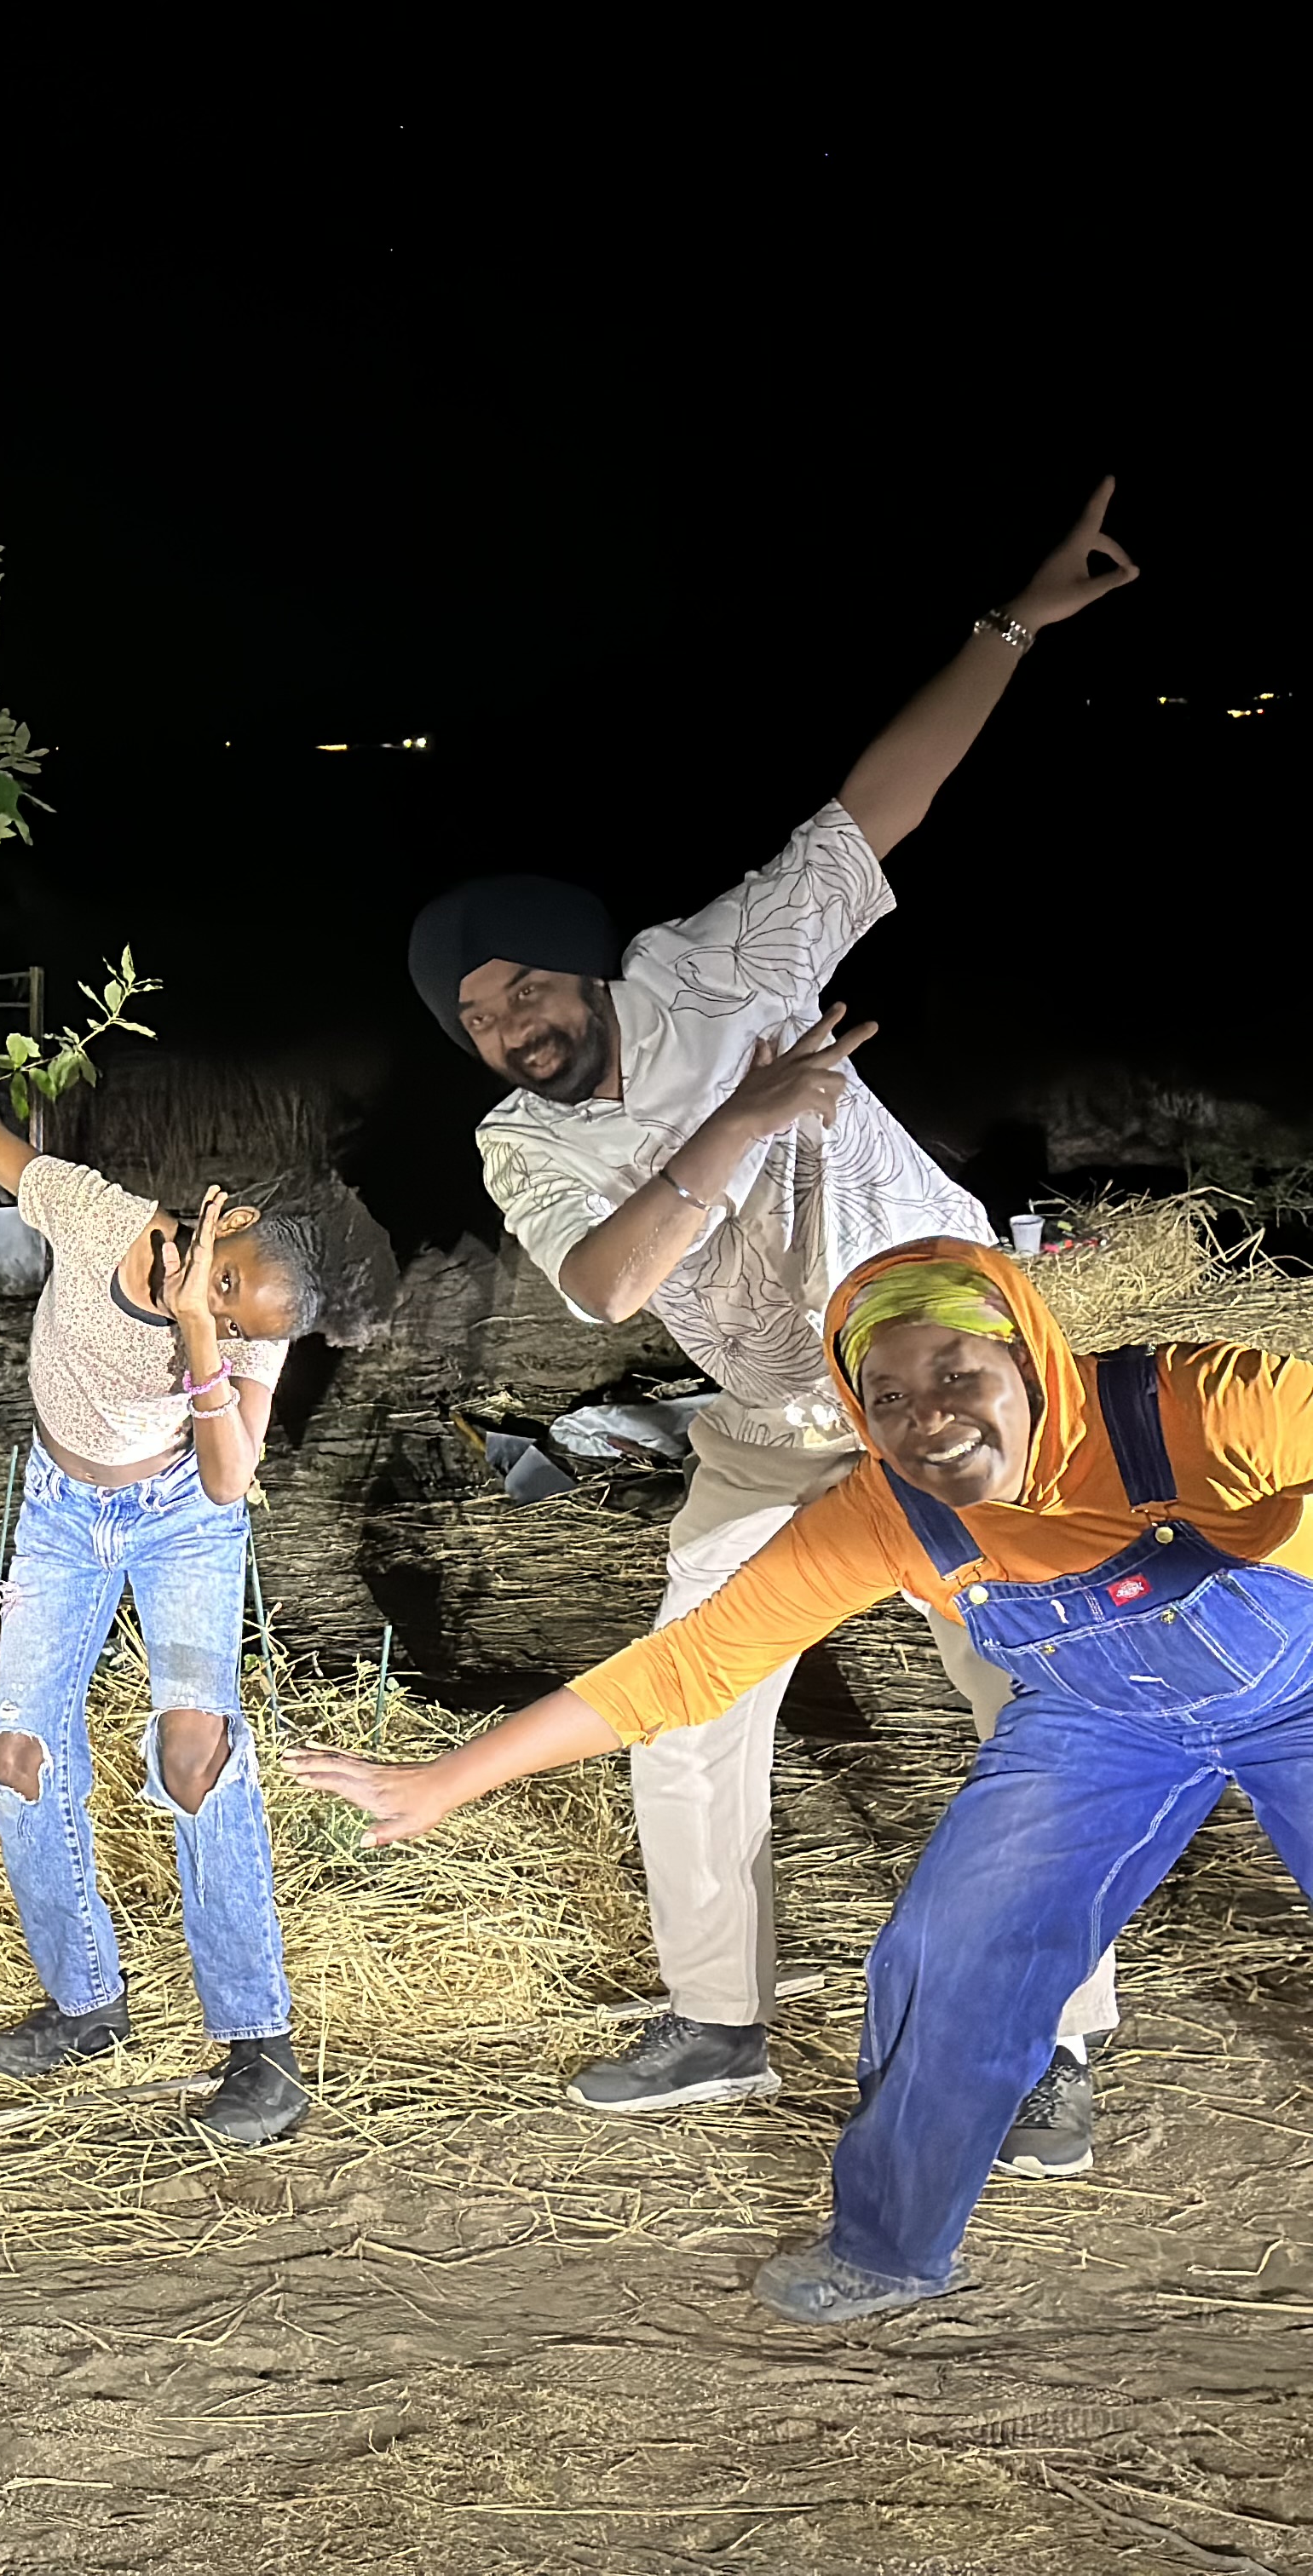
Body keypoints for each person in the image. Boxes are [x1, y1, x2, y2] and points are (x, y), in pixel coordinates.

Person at [400, 480, 1141, 2137]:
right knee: (688, 1693)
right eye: (474, 1013)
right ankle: (713, 2019)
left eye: (521, 980)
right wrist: (748, 1119)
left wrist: (1012, 623)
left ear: (578, 961)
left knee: (1021, 1698)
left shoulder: (720, 967)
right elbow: (605, 1292)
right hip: (770, 1423)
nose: (507, 1021)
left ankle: (1059, 2046)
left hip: (956, 1392)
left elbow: (882, 806)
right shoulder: (521, 1135)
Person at [292, 1239, 1313, 2323]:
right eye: (889, 1397)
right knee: (948, 1961)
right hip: (1097, 1727)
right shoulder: (891, 1513)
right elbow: (693, 1661)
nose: (930, 1418)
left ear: (1030, 1358)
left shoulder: (1193, 1405)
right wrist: (452, 1779)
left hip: (1300, 1687)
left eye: (959, 1374)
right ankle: (888, 2249)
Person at [0, 947, 321, 2144]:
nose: (243, 1318)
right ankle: (87, 2002)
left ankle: (260, 2047)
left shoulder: (256, 1319)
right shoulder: (95, 1220)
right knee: (21, 1759)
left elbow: (230, 1474)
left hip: (184, 1521)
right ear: (221, 1221)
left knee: (197, 1755)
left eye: (257, 1320)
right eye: (233, 1284)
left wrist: (210, 1333)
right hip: (62, 1514)